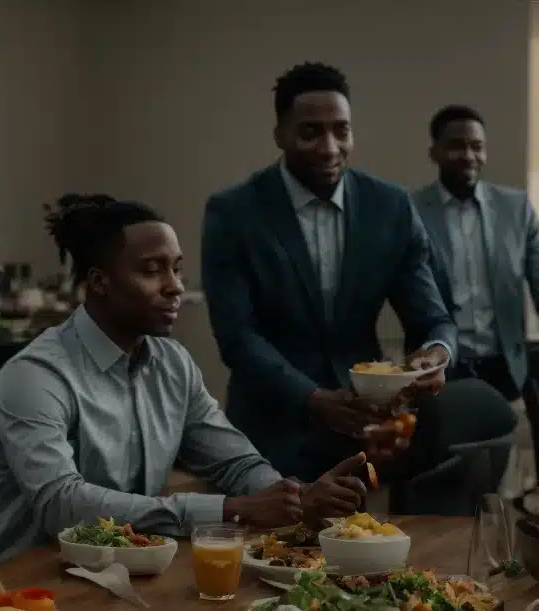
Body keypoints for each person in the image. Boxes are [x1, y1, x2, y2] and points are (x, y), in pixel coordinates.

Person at [0, 194, 371, 567]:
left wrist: (294, 500)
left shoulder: (172, 363)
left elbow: (234, 461)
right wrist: (233, 509)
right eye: (151, 270)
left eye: (175, 269)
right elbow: (63, 505)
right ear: (100, 282)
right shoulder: (36, 375)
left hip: (112, 574)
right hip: (9, 587)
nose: (174, 287)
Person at [201, 61, 472, 484]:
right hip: (268, 434)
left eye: (341, 130)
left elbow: (434, 318)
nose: (329, 147)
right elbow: (237, 338)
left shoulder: (391, 208)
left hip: (363, 433)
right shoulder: (234, 212)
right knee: (269, 551)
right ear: (280, 135)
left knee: (360, 546)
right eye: (310, 132)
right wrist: (311, 398)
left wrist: (435, 354)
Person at [410, 104, 539, 401]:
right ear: (435, 153)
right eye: (456, 146)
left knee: (499, 445)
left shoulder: (515, 209)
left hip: (503, 367)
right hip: (438, 367)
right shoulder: (412, 211)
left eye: (477, 147)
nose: (468, 156)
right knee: (441, 446)